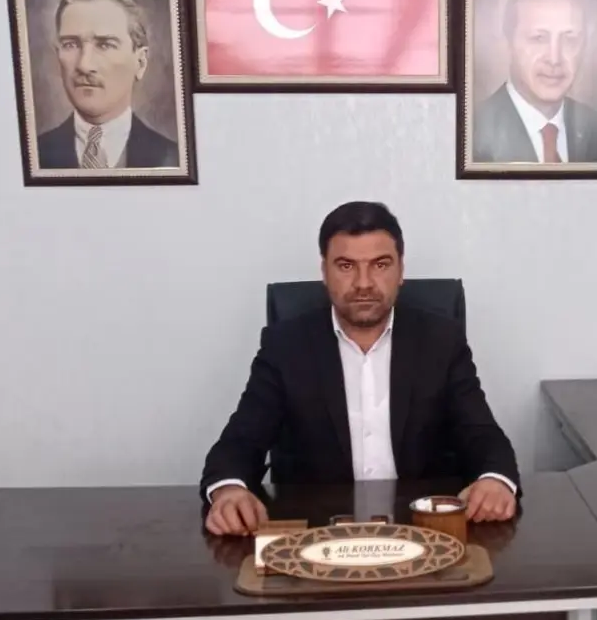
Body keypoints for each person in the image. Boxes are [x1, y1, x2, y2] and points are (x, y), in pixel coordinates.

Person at [201, 201, 521, 536]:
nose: (364, 283)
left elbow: (482, 434)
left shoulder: (441, 341)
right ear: (324, 272)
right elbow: (240, 441)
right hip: (317, 535)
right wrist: (229, 490)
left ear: (401, 271)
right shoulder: (286, 346)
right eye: (346, 266)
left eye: (380, 265)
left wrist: (494, 480)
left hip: (424, 531)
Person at [35, 0, 179, 170]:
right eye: (71, 44)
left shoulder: (174, 159)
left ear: (140, 62)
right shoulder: (32, 156)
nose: (84, 65)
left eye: (105, 45)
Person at [472, 0, 597, 165]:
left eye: (570, 40)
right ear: (508, 45)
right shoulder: (471, 132)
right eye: (538, 38)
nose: (554, 59)